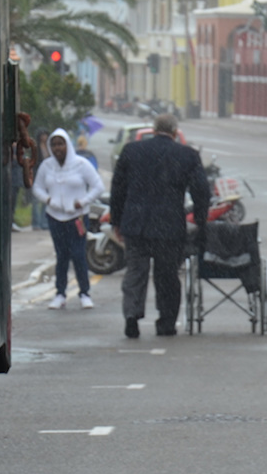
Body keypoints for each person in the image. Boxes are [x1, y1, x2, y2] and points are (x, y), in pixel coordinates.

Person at [111, 113, 209, 338]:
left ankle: (132, 318)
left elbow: (118, 189)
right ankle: (166, 322)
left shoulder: (131, 151)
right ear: (175, 132)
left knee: (136, 272)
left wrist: (117, 220)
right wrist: (201, 220)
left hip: (136, 224)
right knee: (167, 275)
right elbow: (201, 191)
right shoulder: (187, 155)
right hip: (169, 226)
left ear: (154, 130)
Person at [32, 128, 105, 310]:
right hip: (55, 216)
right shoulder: (47, 166)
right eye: (54, 144)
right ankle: (60, 293)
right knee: (62, 255)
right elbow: (37, 188)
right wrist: (49, 200)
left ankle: (84, 293)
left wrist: (83, 202)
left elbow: (98, 186)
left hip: (77, 216)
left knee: (79, 254)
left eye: (61, 144)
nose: (58, 148)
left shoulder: (81, 164)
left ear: (67, 145)